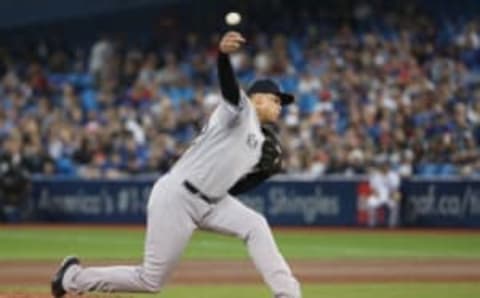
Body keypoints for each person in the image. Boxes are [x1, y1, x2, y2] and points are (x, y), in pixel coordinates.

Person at [51, 31, 301, 298]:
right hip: (178, 196)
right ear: (257, 98)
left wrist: (262, 175)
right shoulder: (241, 112)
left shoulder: (259, 144)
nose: (279, 106)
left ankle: (287, 294)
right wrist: (223, 56)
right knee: (150, 281)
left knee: (255, 225)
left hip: (213, 202)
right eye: (275, 100)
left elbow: (233, 187)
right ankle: (72, 278)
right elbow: (229, 87)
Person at [366, 158, 401, 228]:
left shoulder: (394, 175)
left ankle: (392, 225)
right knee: (370, 202)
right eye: (382, 165)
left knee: (395, 203)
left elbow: (395, 189)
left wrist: (393, 195)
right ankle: (372, 224)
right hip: (378, 195)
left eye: (386, 165)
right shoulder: (375, 175)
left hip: (389, 195)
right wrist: (376, 193)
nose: (384, 167)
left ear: (388, 166)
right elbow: (372, 188)